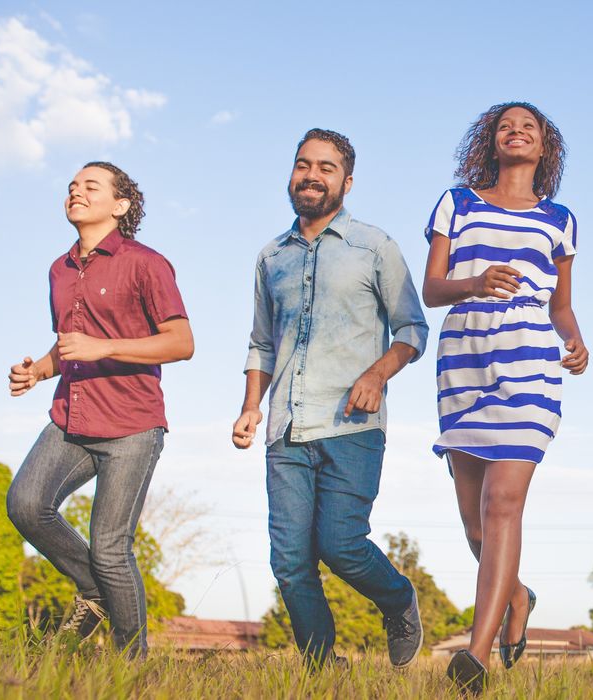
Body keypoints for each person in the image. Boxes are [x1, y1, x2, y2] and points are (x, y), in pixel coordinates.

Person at [232, 128, 429, 669]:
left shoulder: (374, 246)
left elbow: (413, 328)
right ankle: (323, 670)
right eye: (303, 164)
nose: (312, 175)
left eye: (326, 167)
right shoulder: (271, 257)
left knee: (341, 544)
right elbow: (261, 342)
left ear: (347, 181)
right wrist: (251, 406)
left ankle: (398, 599)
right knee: (290, 560)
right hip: (285, 427)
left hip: (353, 425)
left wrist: (378, 373)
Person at [422, 102, 587, 694]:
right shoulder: (457, 203)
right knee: (475, 527)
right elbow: (431, 289)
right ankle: (517, 596)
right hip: (463, 358)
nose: (516, 132)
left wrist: (575, 341)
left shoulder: (559, 219)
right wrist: (475, 282)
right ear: (491, 142)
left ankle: (475, 657)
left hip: (529, 360)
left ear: (544, 147)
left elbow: (561, 306)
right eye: (505, 126)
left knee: (502, 504)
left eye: (529, 127)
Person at [6, 162, 194, 658]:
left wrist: (103, 347)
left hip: (132, 425)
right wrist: (38, 371)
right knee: (25, 504)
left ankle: (131, 665)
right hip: (71, 417)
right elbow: (68, 344)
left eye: (91, 186)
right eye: (72, 186)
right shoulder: (59, 269)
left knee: (111, 548)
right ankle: (94, 592)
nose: (77, 191)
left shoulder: (146, 263)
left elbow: (181, 342)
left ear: (120, 205)